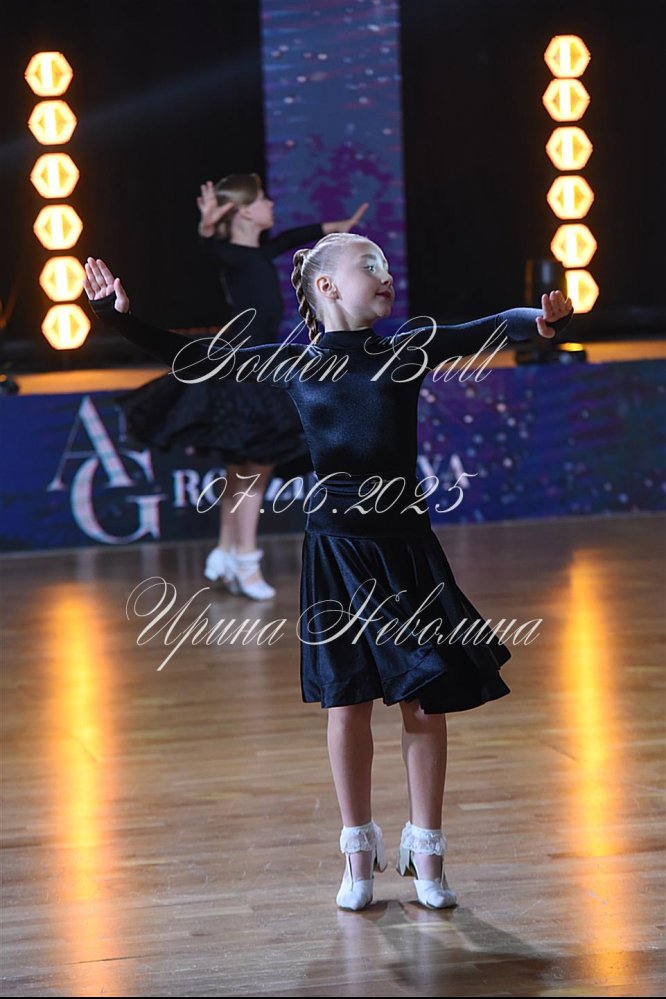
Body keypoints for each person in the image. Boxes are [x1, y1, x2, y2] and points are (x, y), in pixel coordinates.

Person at [83, 237, 573, 911]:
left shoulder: (406, 349)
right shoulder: (291, 363)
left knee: (425, 698)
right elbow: (192, 358)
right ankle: (357, 851)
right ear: (327, 287)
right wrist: (116, 316)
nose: (385, 275)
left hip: (405, 549)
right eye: (368, 266)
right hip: (337, 552)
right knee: (348, 703)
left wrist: (538, 321)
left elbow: (485, 328)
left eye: (386, 266)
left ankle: (427, 850)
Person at [113, 174, 368, 599]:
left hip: (256, 366)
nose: (271, 204)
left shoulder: (260, 252)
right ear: (246, 211)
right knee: (255, 470)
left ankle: (227, 552)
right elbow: (211, 249)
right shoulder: (232, 255)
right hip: (242, 371)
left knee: (243, 470)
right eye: (263, 199)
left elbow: (291, 238)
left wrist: (335, 228)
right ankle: (246, 562)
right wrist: (207, 227)